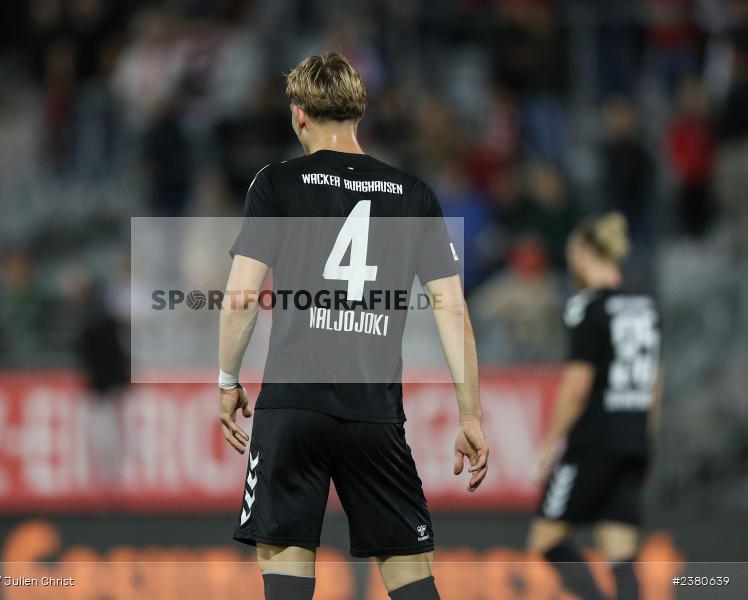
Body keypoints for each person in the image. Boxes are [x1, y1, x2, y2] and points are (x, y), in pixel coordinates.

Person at [217, 52, 488, 600]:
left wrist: (227, 381)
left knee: (287, 579)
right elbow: (452, 309)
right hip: (373, 413)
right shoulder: (414, 195)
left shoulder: (276, 183)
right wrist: (470, 413)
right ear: (359, 113)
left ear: (298, 116)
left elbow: (243, 294)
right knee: (411, 578)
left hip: (291, 407)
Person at [527, 213, 663, 600]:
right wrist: (643, 442)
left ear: (585, 253)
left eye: (573, 254)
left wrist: (551, 442)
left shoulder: (586, 308)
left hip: (593, 442)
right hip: (633, 442)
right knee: (619, 551)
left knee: (546, 539)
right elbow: (656, 385)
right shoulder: (645, 309)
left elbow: (577, 387)